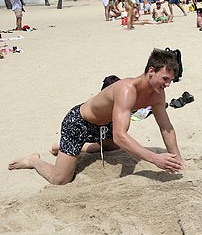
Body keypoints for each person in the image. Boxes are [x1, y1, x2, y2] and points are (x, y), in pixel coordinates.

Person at [8, 49, 185, 184]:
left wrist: (176, 159)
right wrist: (155, 159)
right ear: (151, 71)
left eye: (171, 80)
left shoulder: (157, 94)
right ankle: (33, 160)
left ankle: (62, 148)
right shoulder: (126, 89)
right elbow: (120, 135)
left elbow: (166, 127)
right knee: (60, 180)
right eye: (165, 79)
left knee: (116, 146)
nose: (168, 84)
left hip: (105, 125)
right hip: (80, 124)